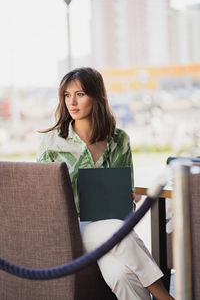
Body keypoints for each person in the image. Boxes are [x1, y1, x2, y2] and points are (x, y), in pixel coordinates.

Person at [37, 67, 174, 300]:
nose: (72, 102)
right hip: (71, 229)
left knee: (120, 274)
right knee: (115, 229)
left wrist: (129, 198)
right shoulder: (51, 142)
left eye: (80, 94)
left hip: (110, 226)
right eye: (67, 95)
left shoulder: (119, 140)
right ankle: (164, 296)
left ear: (96, 96)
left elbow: (127, 190)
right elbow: (42, 199)